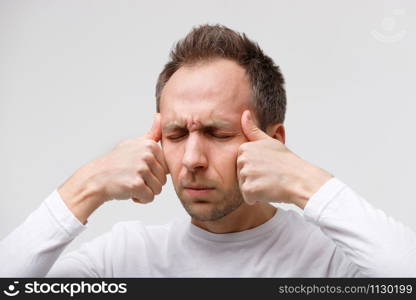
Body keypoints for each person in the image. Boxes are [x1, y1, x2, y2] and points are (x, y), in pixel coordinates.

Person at [1, 24, 415, 277]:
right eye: (177, 134)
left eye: (218, 133)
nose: (193, 159)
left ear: (274, 142)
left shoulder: (331, 261)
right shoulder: (124, 258)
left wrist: (306, 182)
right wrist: (85, 187)